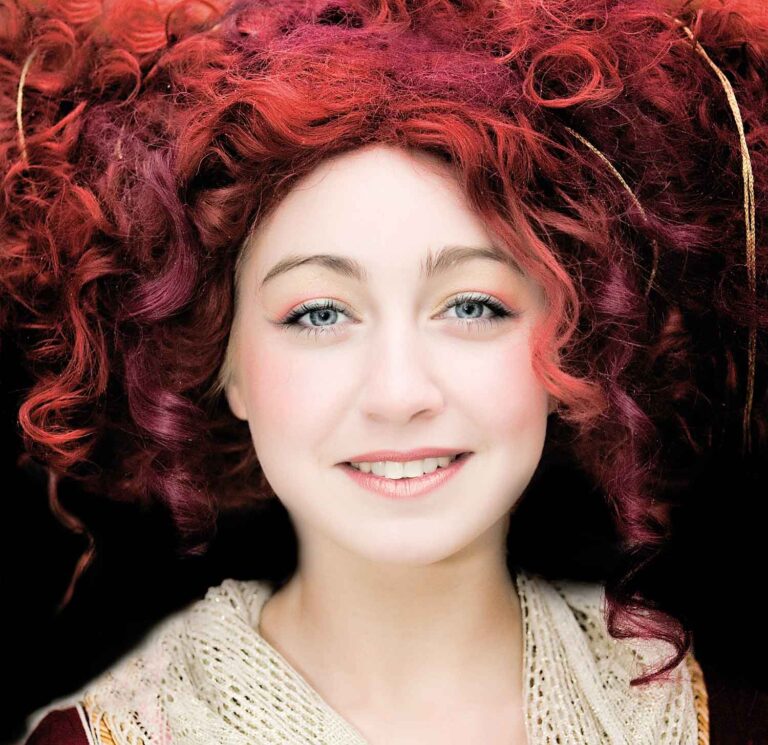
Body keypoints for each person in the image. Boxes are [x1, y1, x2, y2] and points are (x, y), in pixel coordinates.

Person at [3, 0, 766, 742]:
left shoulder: (722, 722)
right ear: (223, 363)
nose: (399, 393)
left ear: (569, 340)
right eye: (319, 314)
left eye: (471, 305)